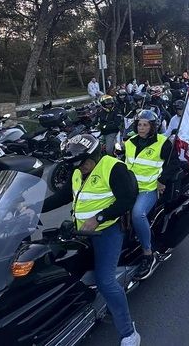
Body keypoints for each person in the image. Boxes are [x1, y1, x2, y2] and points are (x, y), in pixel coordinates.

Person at [41, 134, 141, 346]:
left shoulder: (113, 167)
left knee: (105, 281)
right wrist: (34, 208)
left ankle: (129, 333)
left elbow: (127, 199)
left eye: (84, 162)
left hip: (107, 230)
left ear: (95, 155)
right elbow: (63, 196)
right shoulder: (78, 170)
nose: (80, 167)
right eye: (76, 164)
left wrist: (99, 218)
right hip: (81, 231)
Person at [124, 110, 179, 281]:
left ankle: (148, 254)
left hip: (149, 189)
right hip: (128, 188)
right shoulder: (130, 142)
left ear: (152, 127)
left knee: (137, 214)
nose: (141, 128)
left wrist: (162, 180)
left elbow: (173, 164)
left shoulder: (163, 143)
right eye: (139, 124)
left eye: (145, 125)